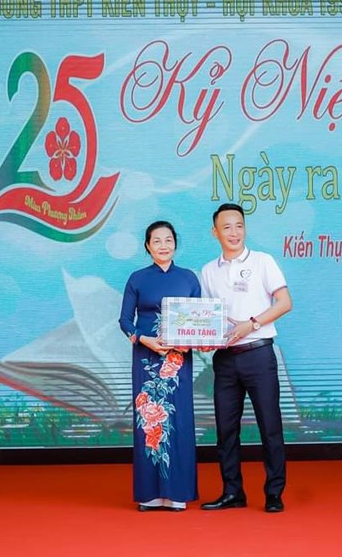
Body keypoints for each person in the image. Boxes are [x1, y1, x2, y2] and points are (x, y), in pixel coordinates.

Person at [199, 203, 292, 513]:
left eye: (239, 225)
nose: (234, 232)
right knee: (225, 430)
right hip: (225, 359)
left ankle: (274, 493)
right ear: (215, 232)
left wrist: (250, 324)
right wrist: (204, 340)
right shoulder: (208, 271)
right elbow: (208, 317)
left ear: (245, 228)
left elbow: (284, 302)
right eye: (226, 227)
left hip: (258, 354)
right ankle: (232, 492)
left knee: (270, 426)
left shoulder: (263, 261)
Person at [119, 221, 200, 512]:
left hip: (178, 360)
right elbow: (125, 320)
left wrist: (188, 343)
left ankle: (177, 492)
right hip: (147, 358)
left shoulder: (188, 278)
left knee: (179, 420)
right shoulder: (137, 279)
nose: (163, 245)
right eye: (157, 241)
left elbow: (199, 319)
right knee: (148, 422)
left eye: (168, 240)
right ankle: (150, 494)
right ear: (147, 246)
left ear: (175, 243)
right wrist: (144, 339)